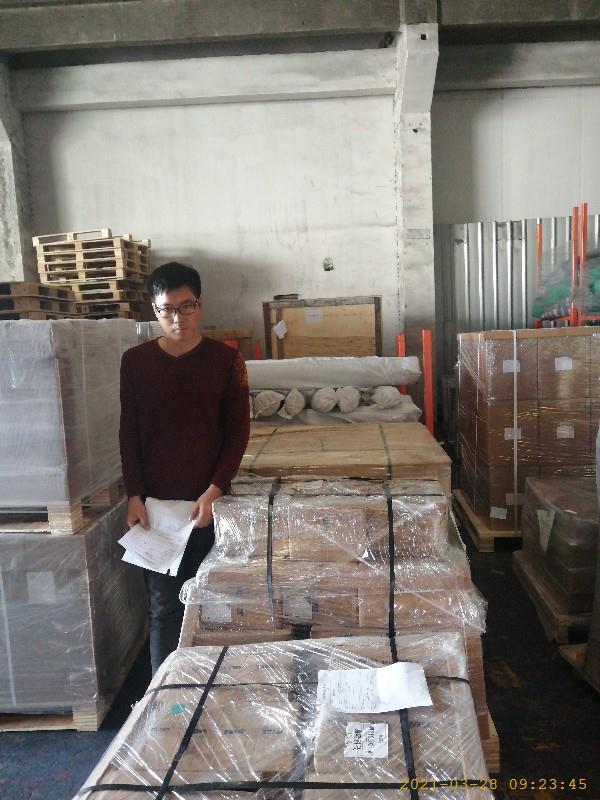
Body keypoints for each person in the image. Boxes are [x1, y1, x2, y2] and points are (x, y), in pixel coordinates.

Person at [119, 261, 250, 674]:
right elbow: (129, 431)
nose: (178, 318)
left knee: (210, 602)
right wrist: (134, 494)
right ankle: (164, 694)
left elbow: (238, 433)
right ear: (154, 310)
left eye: (186, 307)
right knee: (162, 606)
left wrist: (216, 489)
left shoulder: (225, 361)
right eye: (167, 310)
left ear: (200, 305)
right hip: (156, 508)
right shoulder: (136, 363)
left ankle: (209, 687)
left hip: (208, 504)